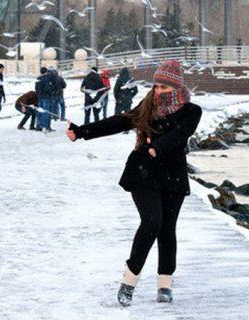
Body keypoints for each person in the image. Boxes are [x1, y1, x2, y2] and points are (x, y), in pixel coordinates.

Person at [66, 60, 203, 306]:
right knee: (152, 222)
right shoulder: (147, 106)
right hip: (143, 173)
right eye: (156, 86)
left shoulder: (192, 111)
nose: (157, 91)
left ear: (175, 87)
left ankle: (165, 284)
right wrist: (83, 132)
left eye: (163, 87)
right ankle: (129, 281)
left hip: (172, 175)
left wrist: (157, 148)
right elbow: (119, 121)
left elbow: (180, 135)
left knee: (167, 229)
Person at [35, 67, 53, 132]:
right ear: (46, 72)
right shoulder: (46, 79)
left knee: (39, 112)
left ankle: (38, 126)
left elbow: (36, 89)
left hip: (39, 97)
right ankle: (45, 126)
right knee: (46, 112)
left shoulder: (37, 79)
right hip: (46, 97)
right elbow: (47, 88)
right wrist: (51, 94)